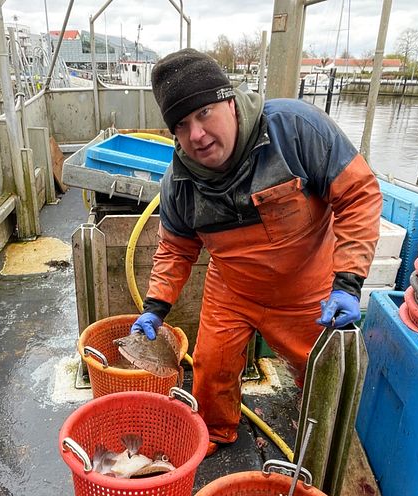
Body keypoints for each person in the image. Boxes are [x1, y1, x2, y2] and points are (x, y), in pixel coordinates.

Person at [132, 49, 382, 456]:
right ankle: (214, 431)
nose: (196, 134)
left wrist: (348, 283)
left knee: (320, 376)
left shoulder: (296, 129)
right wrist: (155, 307)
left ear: (230, 101)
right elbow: (175, 249)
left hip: (306, 289)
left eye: (205, 112)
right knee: (210, 370)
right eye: (181, 124)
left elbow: (359, 194)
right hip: (232, 290)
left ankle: (317, 429)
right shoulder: (177, 182)